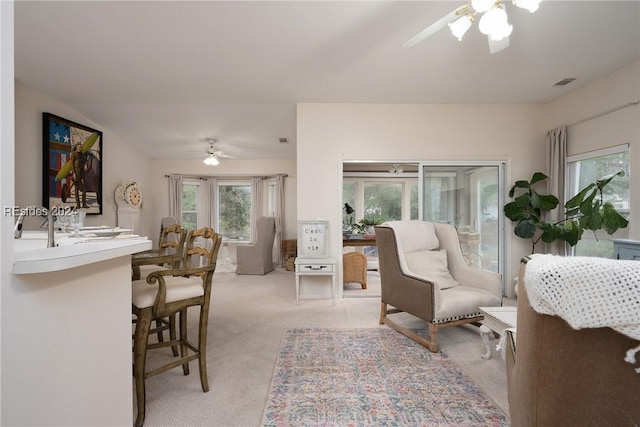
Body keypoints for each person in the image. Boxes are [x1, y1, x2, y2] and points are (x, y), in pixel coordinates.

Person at [70, 141, 90, 208]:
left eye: (80, 147)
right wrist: (73, 173)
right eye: (78, 147)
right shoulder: (73, 153)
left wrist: (85, 164)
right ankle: (78, 205)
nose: (80, 148)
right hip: (76, 171)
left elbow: (85, 161)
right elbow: (72, 163)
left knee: (84, 188)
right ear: (76, 147)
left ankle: (84, 204)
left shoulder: (82, 154)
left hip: (82, 173)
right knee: (76, 189)